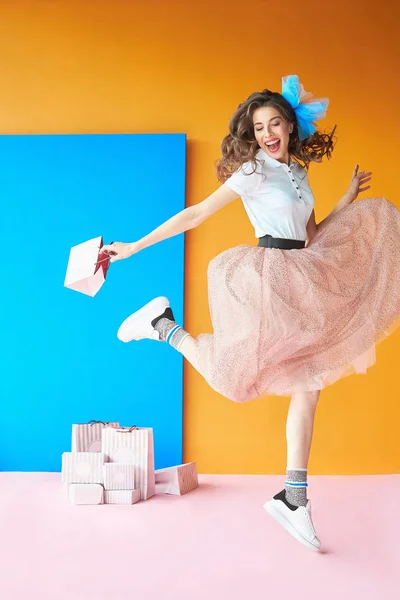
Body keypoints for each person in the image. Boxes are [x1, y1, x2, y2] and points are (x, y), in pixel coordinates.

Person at [100, 75, 400, 551]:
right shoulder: (253, 172)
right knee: (235, 381)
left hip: (303, 274)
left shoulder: (298, 174)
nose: (266, 134)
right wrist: (134, 247)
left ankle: (294, 496)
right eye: (258, 127)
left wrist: (344, 201)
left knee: (309, 386)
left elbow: (313, 236)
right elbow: (196, 214)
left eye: (274, 123)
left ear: (289, 126)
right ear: (252, 134)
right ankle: (164, 327)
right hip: (265, 278)